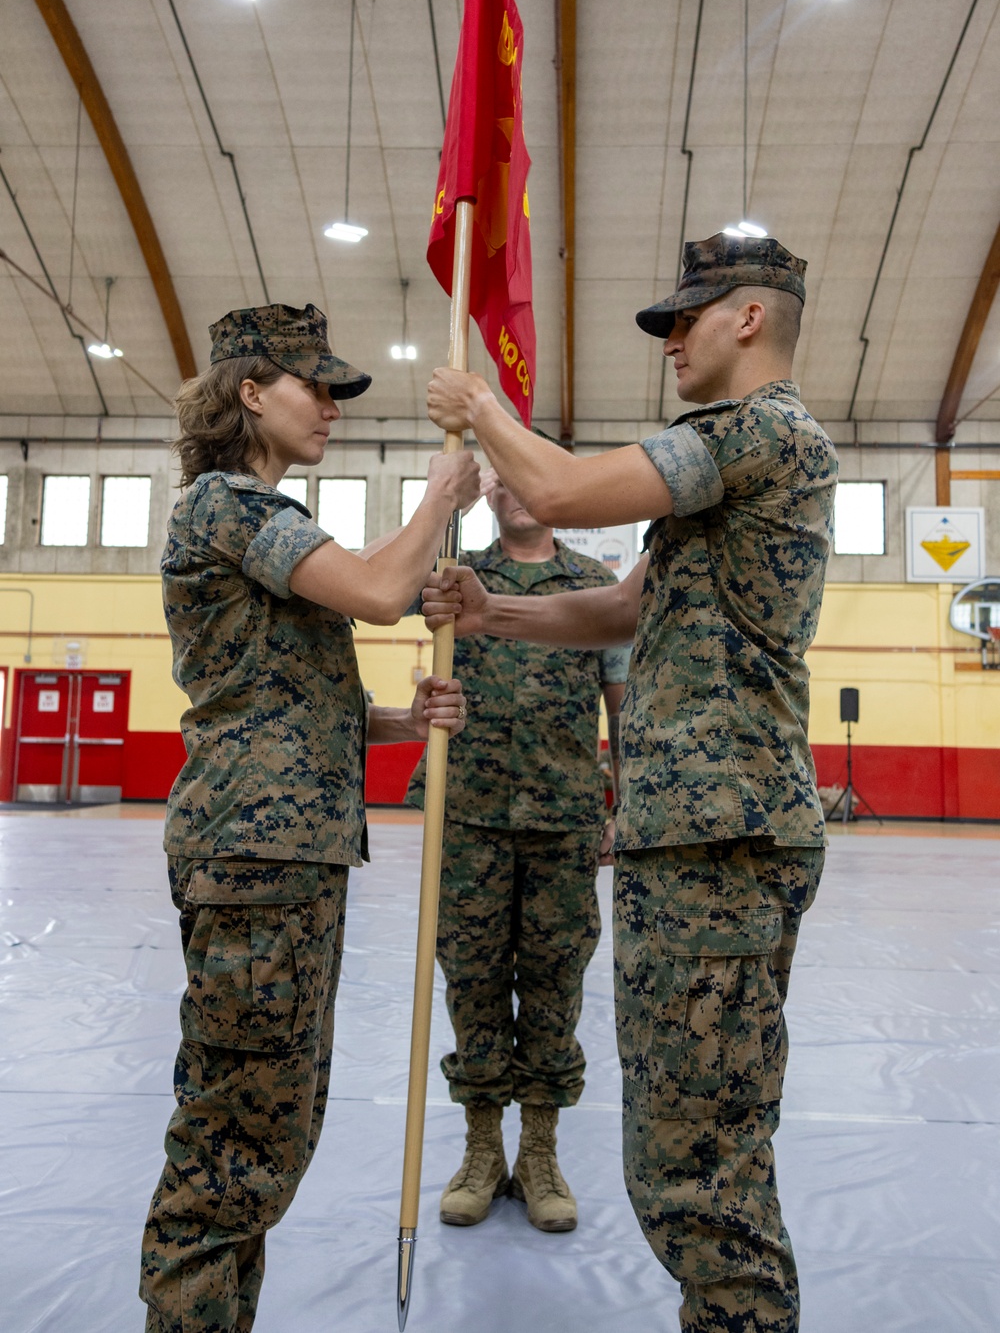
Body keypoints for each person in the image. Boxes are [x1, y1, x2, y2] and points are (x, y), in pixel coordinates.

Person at [421, 235, 838, 1333]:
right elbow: (621, 607)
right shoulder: (725, 469)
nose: (669, 342)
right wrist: (490, 613)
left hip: (722, 834)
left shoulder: (758, 431)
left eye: (683, 321)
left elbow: (561, 490)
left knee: (701, 1167)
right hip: (688, 835)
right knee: (679, 1152)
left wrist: (479, 402)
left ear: (746, 319)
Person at [140, 302, 480, 1333]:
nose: (331, 405)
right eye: (313, 385)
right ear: (251, 392)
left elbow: (285, 694)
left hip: (281, 851)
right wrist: (436, 499)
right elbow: (380, 592)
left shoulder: (260, 523)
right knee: (236, 1138)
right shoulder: (228, 507)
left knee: (267, 1127)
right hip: (256, 854)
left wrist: (396, 720)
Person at [406, 471, 629, 1233]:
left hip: (564, 816)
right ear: (490, 497)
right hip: (467, 813)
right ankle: (480, 1150)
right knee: (470, 980)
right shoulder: (457, 581)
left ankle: (538, 1151)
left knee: (553, 983)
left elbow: (620, 704)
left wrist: (622, 803)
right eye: (507, 484)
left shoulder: (593, 584)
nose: (526, 495)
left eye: (540, 481)